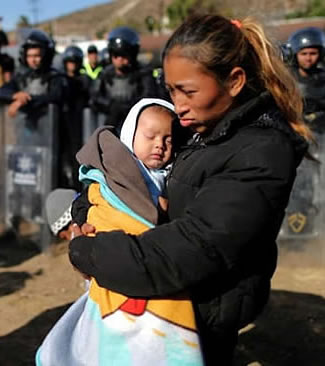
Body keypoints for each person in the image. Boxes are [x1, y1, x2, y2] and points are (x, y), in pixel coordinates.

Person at [69, 14, 311, 365]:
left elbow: (190, 249)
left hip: (205, 312)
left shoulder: (261, 151)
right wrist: (86, 216)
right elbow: (121, 179)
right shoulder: (200, 129)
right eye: (170, 90)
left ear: (235, 82)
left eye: (188, 91)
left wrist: (88, 252)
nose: (177, 105)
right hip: (164, 305)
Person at [36, 98, 203, 365]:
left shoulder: (174, 176)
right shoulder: (114, 172)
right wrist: (87, 219)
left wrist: (166, 208)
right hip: (112, 250)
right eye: (150, 136)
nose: (160, 145)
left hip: (149, 259)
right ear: (129, 135)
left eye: (168, 139)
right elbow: (92, 197)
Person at [89, 26, 160, 135]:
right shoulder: (104, 74)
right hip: (108, 128)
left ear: (132, 54)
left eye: (123, 55)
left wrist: (129, 106)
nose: (119, 59)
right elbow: (94, 97)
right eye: (115, 55)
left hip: (137, 129)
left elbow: (149, 97)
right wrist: (111, 106)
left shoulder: (143, 73)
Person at [0, 29, 66, 119]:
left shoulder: (55, 77)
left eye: (37, 56)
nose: (33, 60)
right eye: (29, 56)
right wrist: (15, 95)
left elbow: (54, 97)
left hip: (49, 127)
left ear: (46, 55)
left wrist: (25, 100)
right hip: (25, 128)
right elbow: (3, 91)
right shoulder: (22, 77)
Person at [61, 45, 92, 189]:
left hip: (79, 123)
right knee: (62, 157)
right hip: (62, 123)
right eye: (69, 62)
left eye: (74, 62)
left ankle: (76, 187)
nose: (71, 66)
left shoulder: (84, 80)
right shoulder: (60, 80)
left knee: (76, 157)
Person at [287, 26, 325, 133]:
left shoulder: (323, 78)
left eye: (313, 53)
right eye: (303, 54)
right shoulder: (285, 78)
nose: (308, 58)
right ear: (295, 55)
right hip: (295, 131)